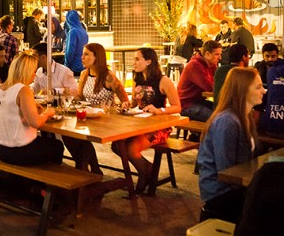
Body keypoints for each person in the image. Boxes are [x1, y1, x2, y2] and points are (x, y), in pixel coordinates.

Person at [197, 68, 264, 222]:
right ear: (243, 90)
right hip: (219, 191)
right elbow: (227, 172)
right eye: (258, 87)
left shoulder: (246, 116)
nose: (264, 90)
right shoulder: (227, 121)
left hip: (234, 186)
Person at [113, 48, 181, 193]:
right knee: (117, 145)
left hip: (159, 127)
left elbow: (177, 107)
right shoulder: (137, 77)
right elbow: (134, 103)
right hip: (139, 124)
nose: (134, 62)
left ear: (149, 61)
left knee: (131, 149)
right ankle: (148, 170)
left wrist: (159, 110)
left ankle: (146, 173)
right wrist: (127, 104)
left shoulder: (163, 81)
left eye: (137, 59)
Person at [66, 43, 129, 174]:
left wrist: (124, 106)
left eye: (86, 54)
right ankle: (90, 168)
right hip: (89, 118)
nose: (82, 57)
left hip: (106, 120)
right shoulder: (84, 74)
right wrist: (67, 94)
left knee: (79, 138)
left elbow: (124, 99)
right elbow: (80, 97)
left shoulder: (108, 77)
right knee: (68, 135)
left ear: (97, 57)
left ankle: (86, 169)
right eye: (82, 54)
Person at [0, 52, 62, 166]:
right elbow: (35, 123)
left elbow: (16, 114)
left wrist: (32, 108)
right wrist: (48, 113)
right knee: (57, 146)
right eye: (34, 71)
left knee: (47, 143)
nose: (35, 75)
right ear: (26, 71)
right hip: (20, 150)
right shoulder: (23, 90)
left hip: (1, 149)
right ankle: (45, 181)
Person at [178, 40, 222, 122]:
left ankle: (198, 134)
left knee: (225, 113)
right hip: (187, 105)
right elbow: (210, 87)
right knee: (217, 119)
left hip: (200, 101)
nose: (220, 58)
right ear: (207, 54)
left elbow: (218, 82)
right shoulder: (195, 65)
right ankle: (200, 134)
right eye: (217, 54)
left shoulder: (211, 64)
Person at [64, 10, 88, 76]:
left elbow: (70, 51)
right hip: (83, 64)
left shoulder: (73, 32)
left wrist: (66, 65)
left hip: (74, 66)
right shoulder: (83, 31)